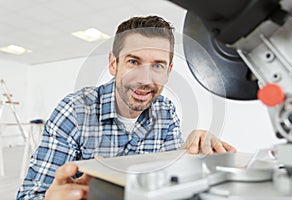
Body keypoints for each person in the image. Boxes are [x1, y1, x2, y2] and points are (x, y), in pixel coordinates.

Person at [17, 15, 236, 199]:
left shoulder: (166, 111)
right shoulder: (74, 111)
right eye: (133, 62)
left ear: (168, 71)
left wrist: (191, 157)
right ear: (114, 64)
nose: (145, 79)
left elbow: (168, 181)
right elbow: (28, 195)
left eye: (157, 65)